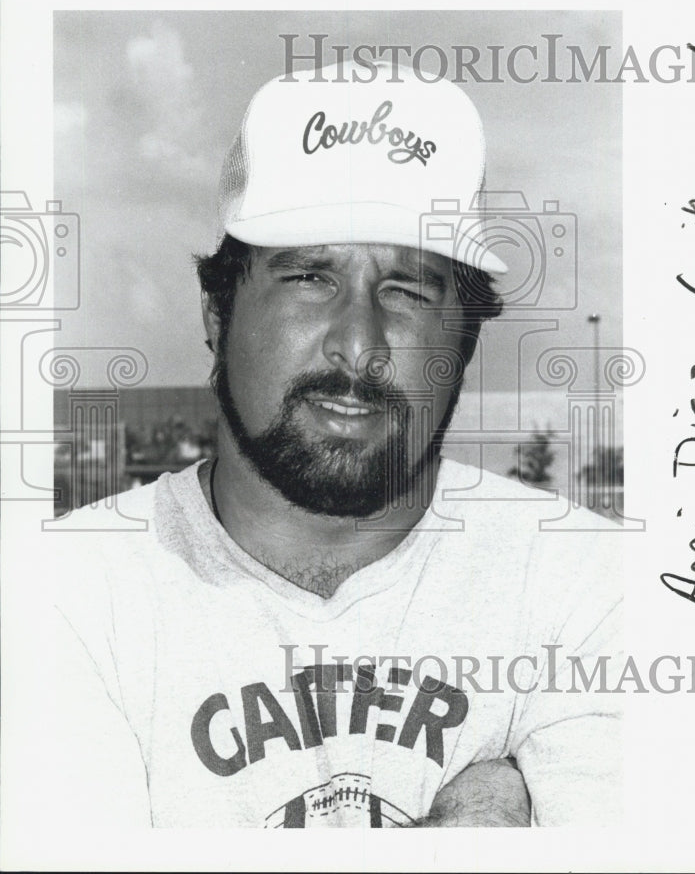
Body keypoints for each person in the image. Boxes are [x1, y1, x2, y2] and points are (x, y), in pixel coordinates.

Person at [34, 60, 622, 829]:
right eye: (309, 276)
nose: (358, 344)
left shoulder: (590, 586)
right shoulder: (62, 593)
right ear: (218, 314)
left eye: (407, 290)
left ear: (465, 340)